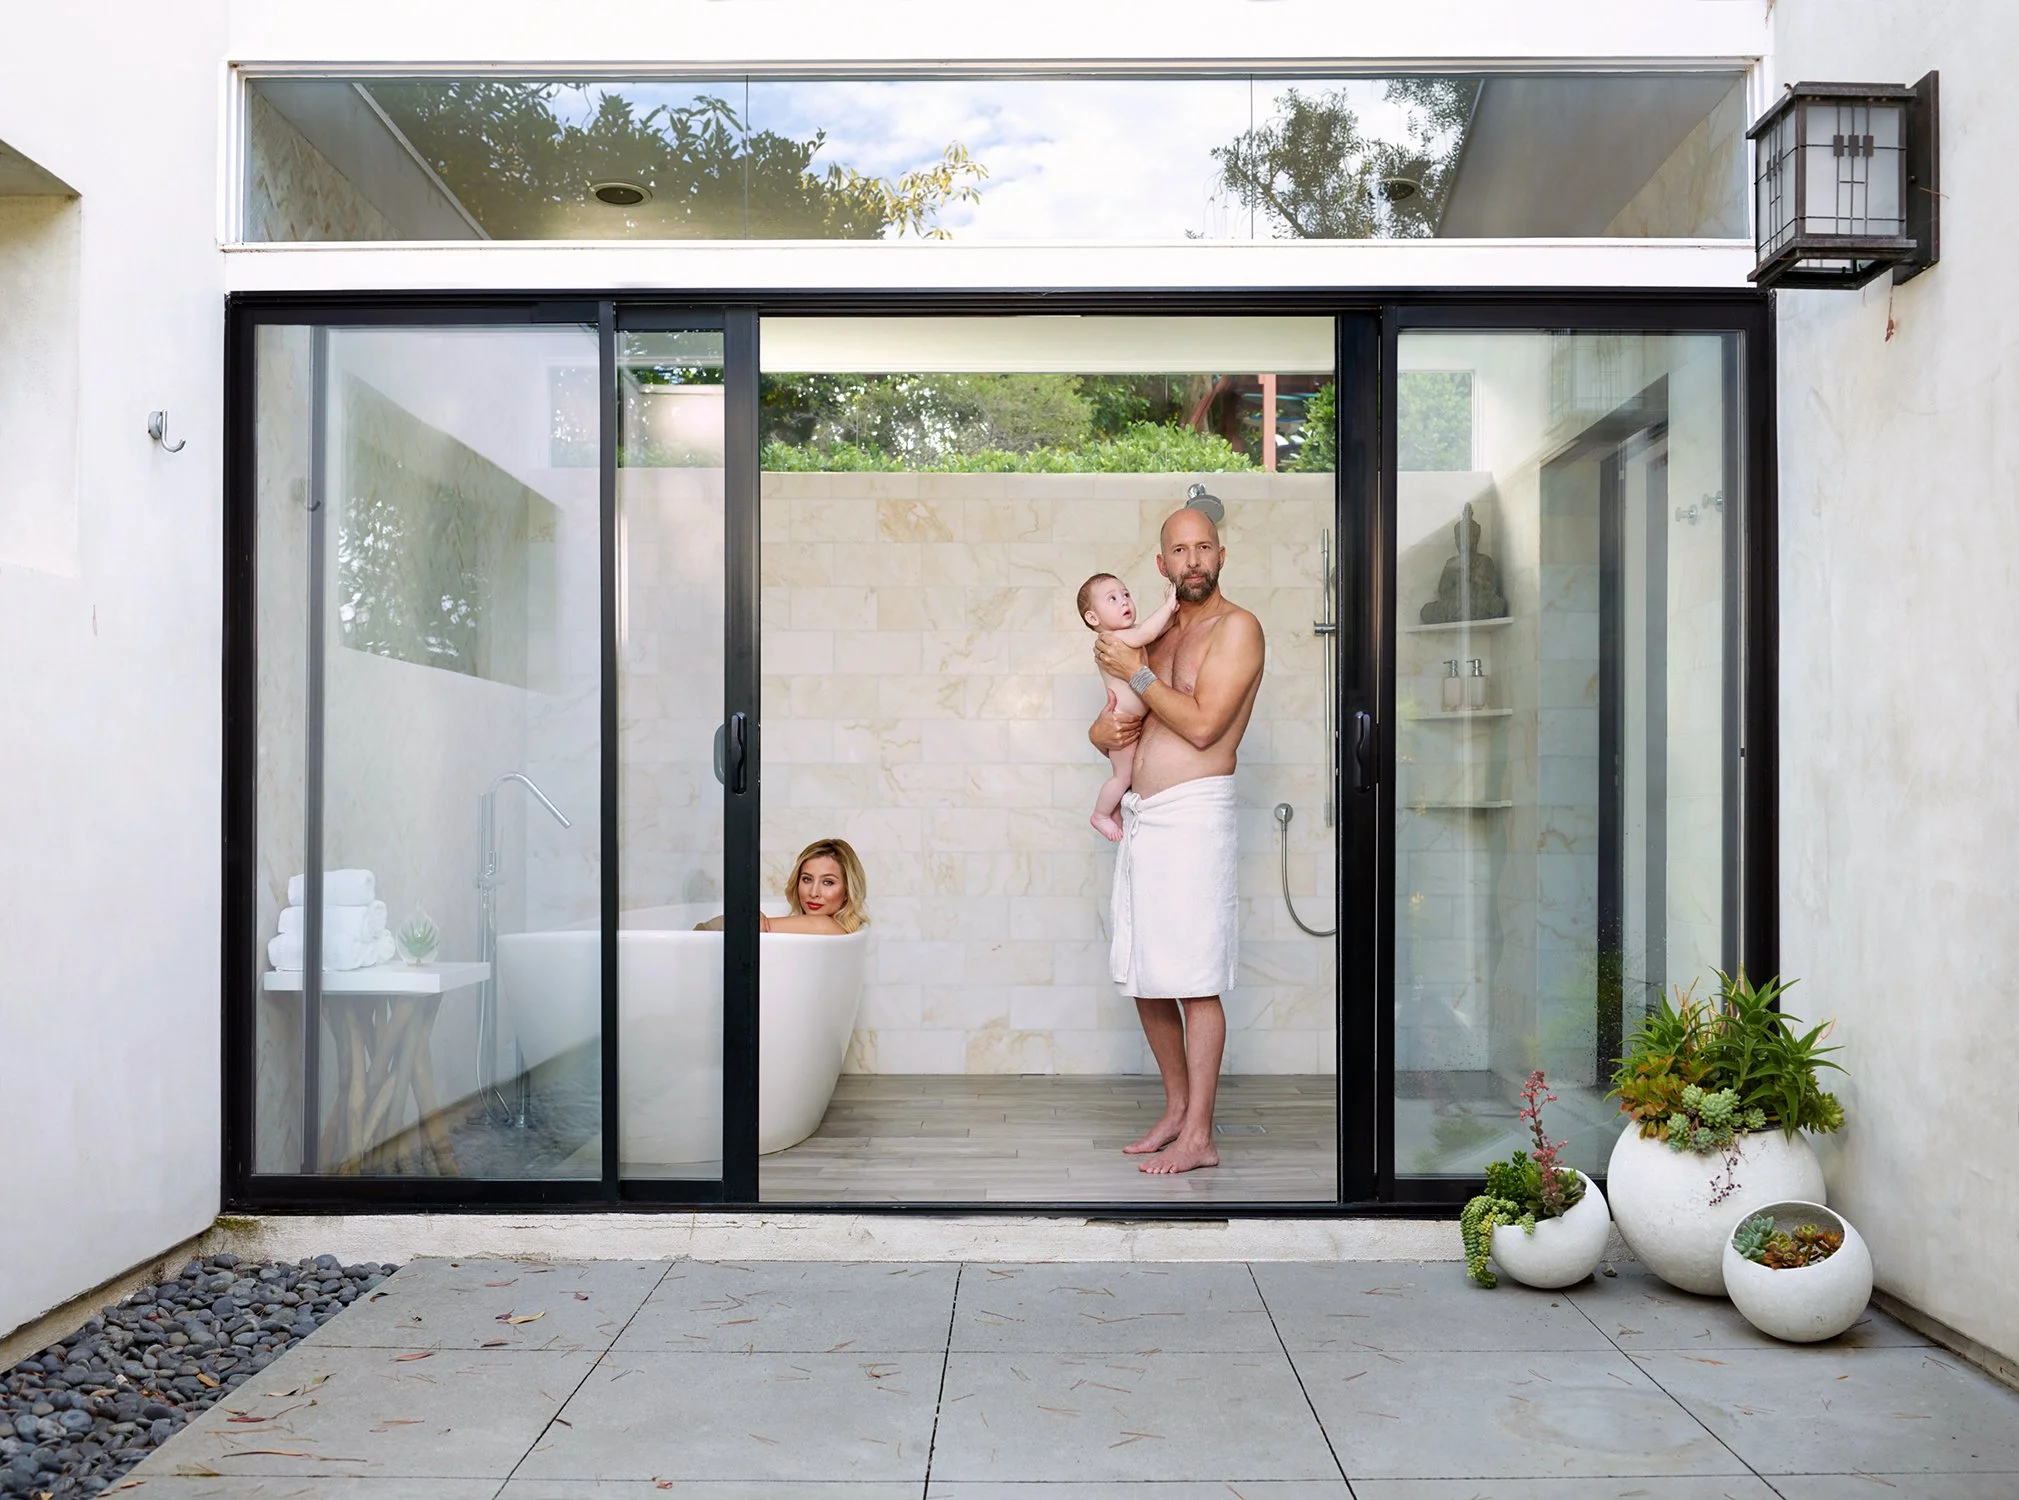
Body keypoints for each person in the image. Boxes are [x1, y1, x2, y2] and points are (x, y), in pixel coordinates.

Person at [1089, 506, 1265, 1174]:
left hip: (1194, 815)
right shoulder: (1153, 634)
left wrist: (1135, 673)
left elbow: (1201, 725)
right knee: (1147, 974)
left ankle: (1199, 1135)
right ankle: (1174, 1110)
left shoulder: (1237, 628)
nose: (1193, 561)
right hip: (1144, 815)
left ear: (1221, 555)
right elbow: (1119, 722)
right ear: (1162, 564)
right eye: (1179, 551)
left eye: (1203, 547)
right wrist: (1101, 733)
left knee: (1194, 978)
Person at [1074, 571, 1179, 841]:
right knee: (1122, 777)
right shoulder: (1111, 641)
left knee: (1128, 777)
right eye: (1112, 598)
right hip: (1121, 723)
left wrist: (1173, 615)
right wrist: (1168, 605)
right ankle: (1100, 815)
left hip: (1132, 724)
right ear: (1093, 618)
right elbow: (1149, 632)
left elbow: (1155, 631)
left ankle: (1115, 813)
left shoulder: (1127, 636)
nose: (1124, 601)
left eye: (1126, 594)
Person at [692, 837, 870, 934]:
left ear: (847, 891)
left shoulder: (825, 925)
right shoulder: (839, 928)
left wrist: (753, 918)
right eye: (807, 879)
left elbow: (751, 928)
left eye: (828, 882)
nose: (814, 892)